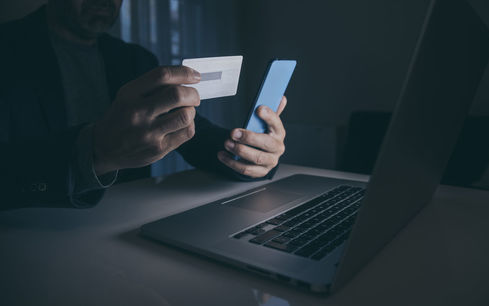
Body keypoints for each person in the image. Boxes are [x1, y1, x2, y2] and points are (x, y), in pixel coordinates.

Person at [0, 0, 287, 210]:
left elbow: (191, 134)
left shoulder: (135, 60)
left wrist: (248, 153)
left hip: (129, 229)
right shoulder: (8, 47)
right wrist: (93, 151)